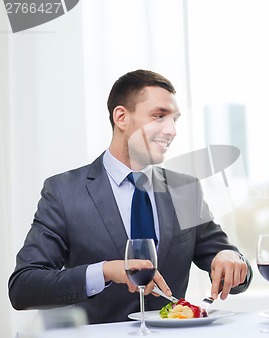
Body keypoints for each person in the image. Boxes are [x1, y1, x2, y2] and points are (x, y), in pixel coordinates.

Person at [8, 69, 253, 324]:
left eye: (174, 120)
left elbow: (230, 270)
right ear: (121, 117)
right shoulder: (64, 192)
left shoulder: (185, 189)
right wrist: (106, 271)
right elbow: (23, 288)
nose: (171, 131)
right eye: (159, 117)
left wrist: (231, 259)